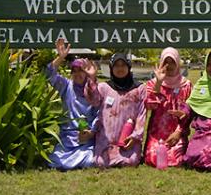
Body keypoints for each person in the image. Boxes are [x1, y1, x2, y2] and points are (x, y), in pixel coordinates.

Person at [45, 39, 98, 170]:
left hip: (87, 139)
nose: (77, 74)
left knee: (91, 161)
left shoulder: (93, 89)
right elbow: (48, 75)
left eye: (81, 70)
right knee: (55, 162)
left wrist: (91, 132)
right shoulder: (66, 86)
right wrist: (60, 57)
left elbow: (99, 113)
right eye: (74, 71)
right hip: (67, 138)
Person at [85, 53, 146, 168]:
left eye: (123, 65)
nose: (120, 69)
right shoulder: (104, 87)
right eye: (116, 66)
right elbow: (93, 101)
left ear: (129, 67)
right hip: (106, 139)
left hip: (128, 140)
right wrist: (92, 78)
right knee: (101, 162)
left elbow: (141, 115)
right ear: (111, 69)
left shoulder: (139, 89)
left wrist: (135, 137)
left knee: (131, 161)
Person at [143, 48, 192, 168]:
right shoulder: (151, 84)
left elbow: (190, 112)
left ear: (177, 63)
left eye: (172, 62)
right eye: (166, 62)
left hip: (177, 132)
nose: (169, 66)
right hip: (157, 134)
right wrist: (159, 83)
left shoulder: (186, 85)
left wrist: (178, 132)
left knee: (178, 159)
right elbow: (150, 106)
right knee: (153, 158)